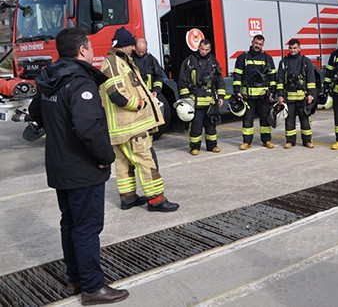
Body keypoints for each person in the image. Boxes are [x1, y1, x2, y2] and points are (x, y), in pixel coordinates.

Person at [28, 28, 129, 304]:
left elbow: (35, 112)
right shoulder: (80, 81)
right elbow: (88, 128)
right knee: (86, 228)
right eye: (90, 47)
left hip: (59, 166)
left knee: (70, 224)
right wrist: (106, 156)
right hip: (83, 168)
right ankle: (93, 288)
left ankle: (75, 279)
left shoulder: (50, 78)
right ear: (83, 50)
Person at [100, 27, 179, 212]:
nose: (134, 49)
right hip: (130, 126)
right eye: (132, 45)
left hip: (122, 128)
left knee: (124, 163)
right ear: (125, 45)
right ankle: (156, 200)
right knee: (146, 161)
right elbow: (117, 95)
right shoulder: (113, 62)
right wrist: (140, 104)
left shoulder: (118, 61)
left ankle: (128, 198)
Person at [178, 38, 226, 155]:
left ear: (210, 50)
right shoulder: (189, 61)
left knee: (211, 125)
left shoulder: (213, 61)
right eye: (202, 49)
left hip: (210, 100)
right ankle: (194, 147)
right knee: (196, 125)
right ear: (198, 47)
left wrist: (221, 97)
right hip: (196, 100)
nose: (203, 51)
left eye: (206, 50)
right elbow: (182, 80)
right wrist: (185, 99)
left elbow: (219, 80)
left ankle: (212, 146)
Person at [233, 35, 277, 150]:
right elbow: (237, 75)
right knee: (248, 120)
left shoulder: (267, 58)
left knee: (265, 119)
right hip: (247, 96)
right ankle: (247, 142)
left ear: (263, 45)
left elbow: (272, 76)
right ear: (252, 42)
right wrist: (237, 91)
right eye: (256, 43)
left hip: (263, 96)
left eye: (260, 44)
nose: (257, 46)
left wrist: (272, 91)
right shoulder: (243, 58)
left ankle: (266, 140)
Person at [276, 38, 316, 148]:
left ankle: (307, 141)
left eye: (294, 48)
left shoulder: (306, 61)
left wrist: (310, 94)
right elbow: (279, 80)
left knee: (305, 120)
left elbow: (311, 79)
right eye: (290, 48)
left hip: (303, 97)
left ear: (299, 48)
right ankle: (290, 141)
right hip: (289, 97)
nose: (292, 50)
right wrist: (280, 95)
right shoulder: (283, 62)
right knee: (289, 120)